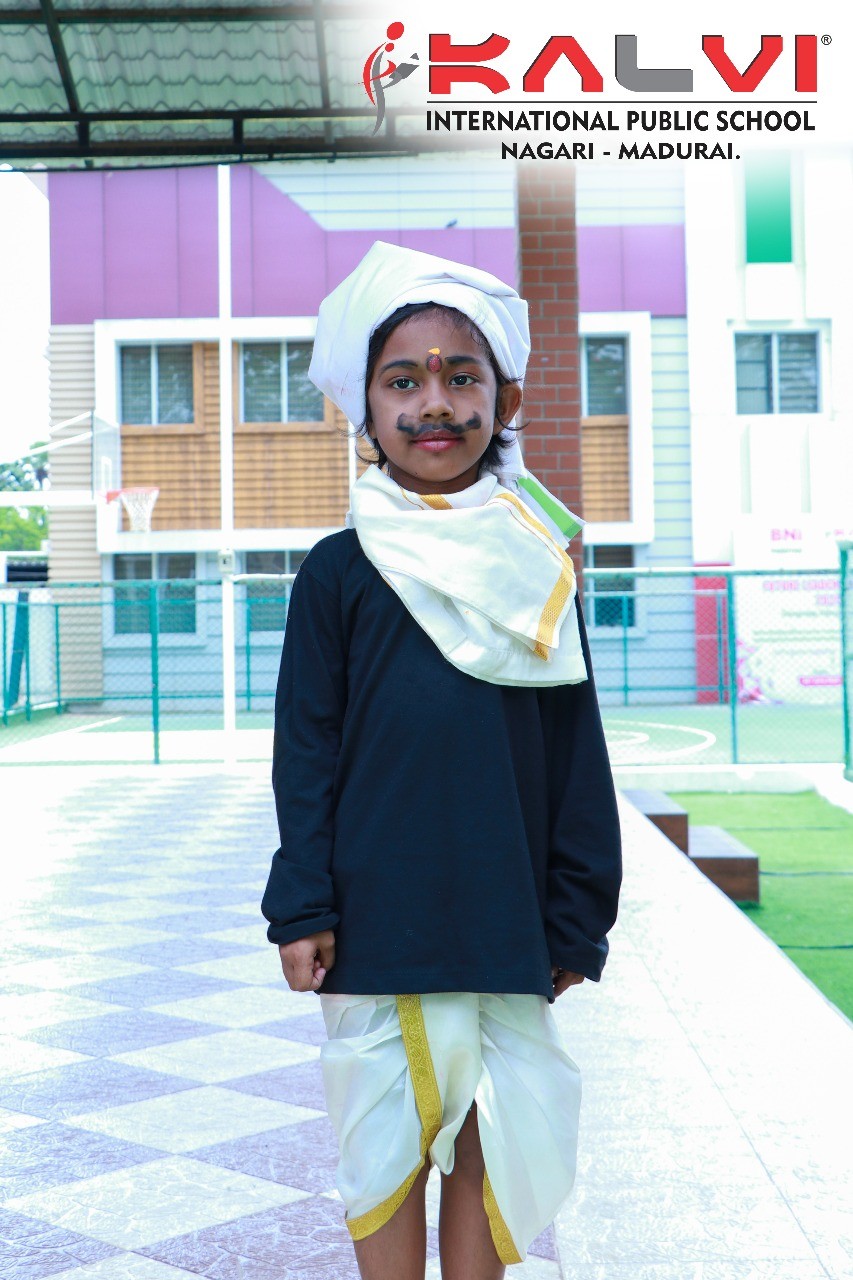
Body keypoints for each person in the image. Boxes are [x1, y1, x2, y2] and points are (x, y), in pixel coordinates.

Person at [261, 241, 622, 1280]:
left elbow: (573, 748)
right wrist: (303, 902)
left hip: (506, 906)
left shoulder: (536, 565)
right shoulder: (339, 571)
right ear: (364, 409)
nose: (433, 403)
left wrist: (576, 908)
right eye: (402, 381)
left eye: (461, 378)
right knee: (384, 1141)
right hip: (378, 908)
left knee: (494, 1133)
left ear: (504, 401)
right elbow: (306, 750)